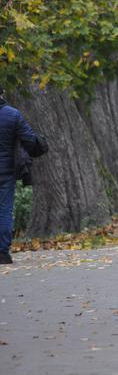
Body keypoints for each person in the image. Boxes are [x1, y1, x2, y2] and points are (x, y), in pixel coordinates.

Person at [0, 88, 40, 264]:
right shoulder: (13, 115)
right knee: (4, 210)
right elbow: (30, 139)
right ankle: (2, 253)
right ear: (2, 93)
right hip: (5, 170)